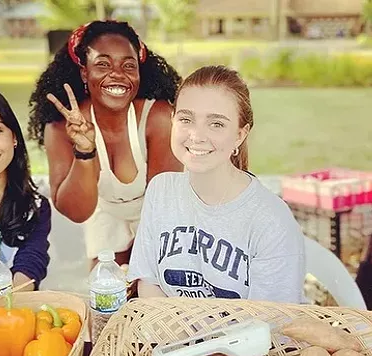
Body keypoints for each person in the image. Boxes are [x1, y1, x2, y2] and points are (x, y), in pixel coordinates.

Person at [127, 65, 306, 303]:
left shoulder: (271, 219)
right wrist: (177, 338)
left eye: (217, 124)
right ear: (173, 120)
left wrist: (200, 340)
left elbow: (269, 324)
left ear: (240, 135)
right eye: (186, 119)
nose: (197, 135)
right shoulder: (161, 191)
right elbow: (148, 283)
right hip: (168, 337)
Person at [28, 20, 182, 268]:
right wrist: (84, 151)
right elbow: (77, 212)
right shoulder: (60, 128)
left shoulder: (158, 118)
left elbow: (164, 207)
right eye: (103, 63)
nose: (118, 74)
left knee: (150, 290)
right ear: (84, 72)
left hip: (159, 217)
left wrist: (139, 268)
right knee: (105, 293)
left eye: (128, 65)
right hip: (106, 214)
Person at [0, 85, 51, 292]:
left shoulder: (35, 207)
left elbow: (31, 262)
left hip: (10, 317)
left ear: (14, 136)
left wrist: (9, 310)